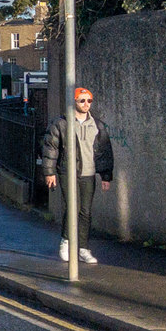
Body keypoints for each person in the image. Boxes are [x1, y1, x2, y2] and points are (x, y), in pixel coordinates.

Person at [40, 86, 114, 264]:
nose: (86, 104)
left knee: (85, 212)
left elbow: (104, 152)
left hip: (88, 174)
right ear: (74, 102)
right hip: (68, 172)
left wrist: (106, 176)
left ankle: (83, 248)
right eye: (82, 100)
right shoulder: (61, 124)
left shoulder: (97, 125)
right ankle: (66, 241)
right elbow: (50, 148)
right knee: (72, 207)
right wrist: (49, 172)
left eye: (89, 100)